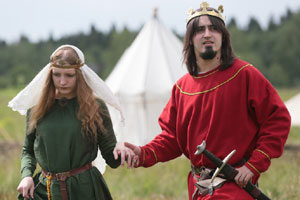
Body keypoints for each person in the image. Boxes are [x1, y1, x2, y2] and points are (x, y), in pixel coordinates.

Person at [125, 2, 291, 200]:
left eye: (214, 28)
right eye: (199, 30)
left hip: (235, 188)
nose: (207, 34)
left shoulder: (244, 75)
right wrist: (142, 153)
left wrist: (254, 164)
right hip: (199, 189)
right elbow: (172, 138)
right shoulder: (182, 88)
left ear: (223, 36)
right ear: (190, 39)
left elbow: (278, 119)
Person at [9, 45, 135, 200]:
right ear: (50, 75)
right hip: (47, 189)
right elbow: (28, 149)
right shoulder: (36, 108)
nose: (62, 81)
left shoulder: (96, 107)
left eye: (69, 75)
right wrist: (26, 176)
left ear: (80, 75)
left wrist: (119, 148)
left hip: (85, 190)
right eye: (57, 75)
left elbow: (111, 158)